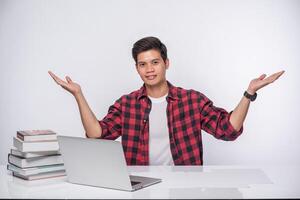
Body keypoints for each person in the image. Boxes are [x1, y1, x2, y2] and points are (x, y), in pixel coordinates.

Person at [49, 36, 284, 166]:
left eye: (155, 62)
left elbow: (228, 130)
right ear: (137, 68)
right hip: (138, 187)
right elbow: (97, 134)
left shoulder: (191, 100)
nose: (149, 70)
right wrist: (78, 94)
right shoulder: (127, 104)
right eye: (143, 64)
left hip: (185, 188)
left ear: (166, 63)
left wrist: (249, 93)